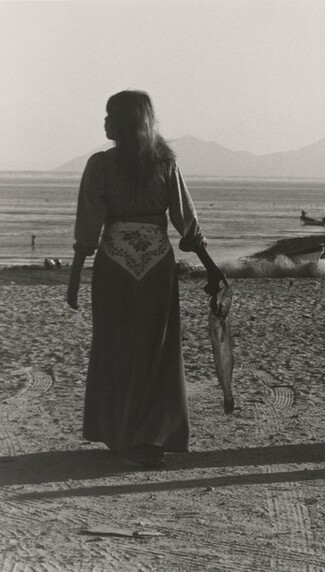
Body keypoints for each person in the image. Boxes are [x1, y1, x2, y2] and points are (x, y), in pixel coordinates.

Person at [67, 90, 226, 468]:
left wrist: (74, 278)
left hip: (114, 266)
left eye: (110, 115)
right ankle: (150, 439)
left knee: (115, 348)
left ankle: (121, 434)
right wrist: (211, 266)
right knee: (157, 351)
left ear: (126, 121)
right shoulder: (164, 163)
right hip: (156, 266)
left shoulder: (100, 165)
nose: (105, 122)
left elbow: (88, 226)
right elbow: (186, 222)